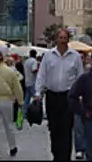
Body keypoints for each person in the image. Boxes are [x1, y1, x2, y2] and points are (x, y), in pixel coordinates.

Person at [34, 28, 84, 162]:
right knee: (54, 127)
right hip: (52, 96)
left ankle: (65, 156)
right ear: (57, 39)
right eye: (60, 38)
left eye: (65, 38)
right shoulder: (48, 56)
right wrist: (38, 93)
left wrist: (81, 96)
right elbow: (41, 75)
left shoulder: (75, 56)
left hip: (68, 96)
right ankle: (56, 154)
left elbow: (80, 77)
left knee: (67, 128)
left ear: (68, 39)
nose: (62, 40)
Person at [23, 49, 39, 114]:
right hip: (33, 82)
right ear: (35, 54)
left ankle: (24, 112)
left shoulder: (26, 61)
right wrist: (39, 70)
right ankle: (37, 111)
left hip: (27, 81)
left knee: (27, 98)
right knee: (36, 97)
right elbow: (34, 70)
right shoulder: (34, 61)